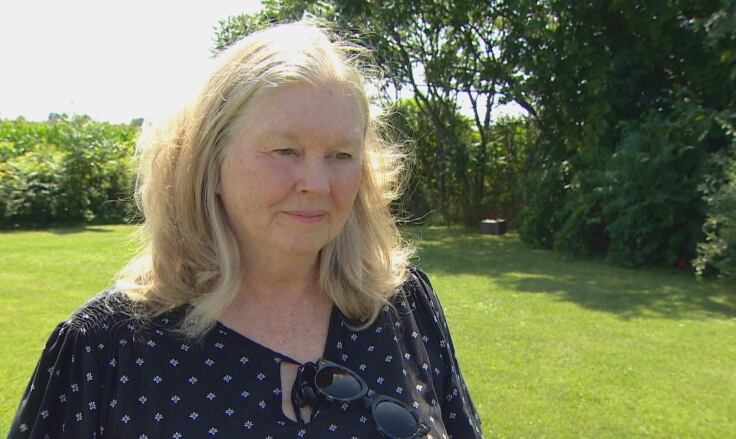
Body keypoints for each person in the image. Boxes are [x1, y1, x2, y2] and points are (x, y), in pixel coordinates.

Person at [8, 21, 482, 438]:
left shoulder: (404, 306)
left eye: (341, 156)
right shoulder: (104, 348)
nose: (316, 184)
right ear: (209, 163)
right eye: (284, 151)